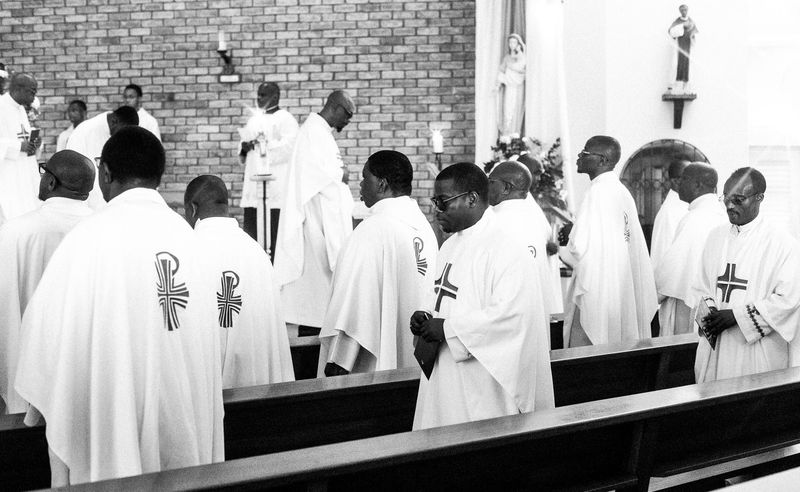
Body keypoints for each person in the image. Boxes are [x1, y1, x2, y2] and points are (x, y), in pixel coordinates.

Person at [14, 127, 224, 486]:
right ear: (159, 176)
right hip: (184, 421)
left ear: (106, 174)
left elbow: (45, 339)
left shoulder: (88, 238)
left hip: (114, 424)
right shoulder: (191, 240)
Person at [411, 162, 554, 430]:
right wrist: (424, 314)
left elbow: (512, 318)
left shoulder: (506, 248)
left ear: (472, 198)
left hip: (482, 382)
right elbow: (438, 294)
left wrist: (447, 329)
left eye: (443, 201)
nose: (437, 209)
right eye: (435, 201)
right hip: (442, 371)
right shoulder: (449, 246)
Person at [318, 150, 437, 377]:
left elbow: (354, 304)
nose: (361, 185)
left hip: (371, 370)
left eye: (365, 178)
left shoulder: (372, 230)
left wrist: (339, 361)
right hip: (418, 366)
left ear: (382, 184)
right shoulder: (425, 228)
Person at [0, 150, 94, 415]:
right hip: (84, 366)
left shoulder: (15, 232)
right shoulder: (103, 228)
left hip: (26, 367)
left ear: (50, 182)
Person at [184, 175, 295, 388]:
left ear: (193, 209)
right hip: (259, 389)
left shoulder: (190, 250)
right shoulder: (257, 252)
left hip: (209, 389)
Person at [693, 167, 800, 383]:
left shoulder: (782, 244)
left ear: (759, 198)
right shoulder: (715, 237)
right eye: (726, 198)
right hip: (716, 343)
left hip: (757, 350)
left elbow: (789, 301)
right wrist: (710, 312)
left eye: (738, 199)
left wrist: (737, 316)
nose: (730, 205)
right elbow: (701, 286)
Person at [558, 136, 658, 347]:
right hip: (619, 288)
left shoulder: (598, 192)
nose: (579, 156)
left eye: (585, 153)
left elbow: (579, 248)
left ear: (602, 160)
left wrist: (565, 239)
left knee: (588, 351)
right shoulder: (620, 191)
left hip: (598, 291)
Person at [274, 90, 355, 335]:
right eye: (348, 115)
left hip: (321, 219)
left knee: (321, 293)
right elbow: (314, 176)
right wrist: (341, 174)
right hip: (314, 223)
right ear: (336, 107)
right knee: (313, 291)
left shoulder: (321, 133)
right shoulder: (312, 132)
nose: (348, 121)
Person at [654, 162, 726, 336]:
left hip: (689, 304)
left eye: (684, 179)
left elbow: (672, 269)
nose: (679, 183)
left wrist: (651, 295)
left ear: (697, 185)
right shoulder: (721, 214)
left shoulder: (695, 219)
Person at [238, 82, 298, 250]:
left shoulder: (286, 119)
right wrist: (245, 148)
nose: (259, 98)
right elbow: (243, 145)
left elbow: (290, 148)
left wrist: (262, 145)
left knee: (274, 236)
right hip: (253, 186)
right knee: (252, 238)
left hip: (275, 187)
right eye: (258, 95)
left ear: (275, 97)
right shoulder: (253, 120)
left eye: (263, 95)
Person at [516, 153, 563, 315]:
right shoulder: (516, 201)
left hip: (541, 264)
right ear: (523, 171)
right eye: (536, 173)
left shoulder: (528, 198)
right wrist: (544, 246)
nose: (538, 178)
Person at [66, 105, 138, 210]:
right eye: (122, 132)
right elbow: (72, 174)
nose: (124, 137)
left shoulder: (120, 132)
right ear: (114, 121)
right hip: (88, 207)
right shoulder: (83, 132)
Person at [0, 72, 42, 226]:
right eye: (32, 91)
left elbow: (23, 135)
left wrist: (35, 143)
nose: (34, 96)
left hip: (25, 171)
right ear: (18, 89)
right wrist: (18, 146)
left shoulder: (20, 109)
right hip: (8, 174)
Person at [650, 160, 688, 273]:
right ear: (676, 181)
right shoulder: (669, 213)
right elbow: (663, 258)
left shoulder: (684, 205)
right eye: (690, 177)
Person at [496, 33, 526, 136]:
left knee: (516, 110)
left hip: (518, 87)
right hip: (509, 87)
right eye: (510, 42)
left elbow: (522, 69)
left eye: (514, 42)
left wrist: (521, 51)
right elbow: (501, 71)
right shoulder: (507, 58)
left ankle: (515, 133)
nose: (512, 44)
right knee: (508, 109)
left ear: (518, 44)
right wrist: (497, 85)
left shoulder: (522, 57)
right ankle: (507, 133)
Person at [668, 4, 699, 94]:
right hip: (679, 46)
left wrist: (692, 37)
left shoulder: (691, 22)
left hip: (687, 47)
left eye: (685, 10)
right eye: (682, 10)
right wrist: (682, 26)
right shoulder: (677, 21)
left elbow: (694, 35)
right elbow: (671, 32)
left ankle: (686, 87)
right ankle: (675, 86)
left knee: (688, 66)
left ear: (687, 10)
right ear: (680, 11)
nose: (684, 12)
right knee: (675, 64)